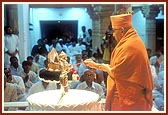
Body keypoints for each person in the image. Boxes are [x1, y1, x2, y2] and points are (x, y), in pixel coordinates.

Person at [84, 14, 154, 111]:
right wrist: (95, 65)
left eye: (114, 30)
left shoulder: (130, 45)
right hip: (126, 94)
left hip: (128, 99)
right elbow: (118, 68)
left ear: (121, 30)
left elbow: (115, 72)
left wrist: (98, 66)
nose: (113, 34)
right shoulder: (130, 41)